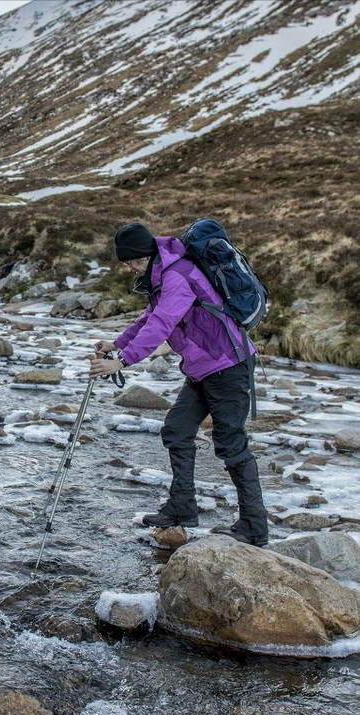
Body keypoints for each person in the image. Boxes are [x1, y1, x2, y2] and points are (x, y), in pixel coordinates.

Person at [89, 222, 268, 547]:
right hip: (204, 369)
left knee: (231, 444)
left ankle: (254, 527)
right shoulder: (162, 275)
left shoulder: (177, 276)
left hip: (229, 366)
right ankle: (182, 506)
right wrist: (116, 343)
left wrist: (123, 360)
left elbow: (161, 325)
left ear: (146, 255)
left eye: (132, 261)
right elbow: (149, 316)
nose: (129, 267)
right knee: (176, 429)